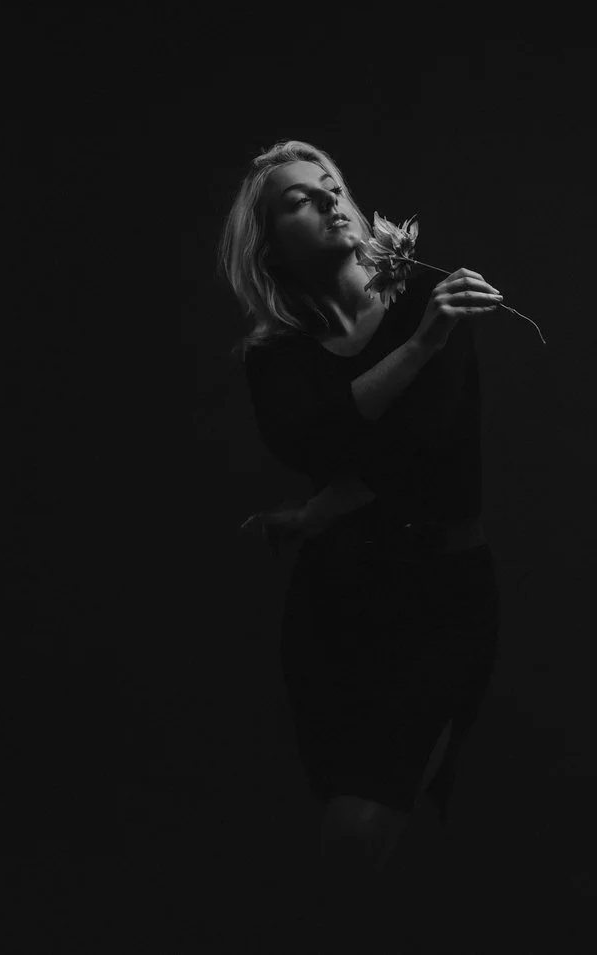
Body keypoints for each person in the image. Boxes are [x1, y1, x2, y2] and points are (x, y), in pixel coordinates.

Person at [218, 139, 504, 952]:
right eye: (300, 198)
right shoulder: (275, 355)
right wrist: (417, 355)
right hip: (338, 606)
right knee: (351, 845)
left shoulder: (428, 296)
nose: (330, 199)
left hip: (442, 600)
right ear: (269, 241)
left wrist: (321, 506)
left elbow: (433, 455)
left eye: (332, 184)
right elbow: (316, 441)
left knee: (356, 838)